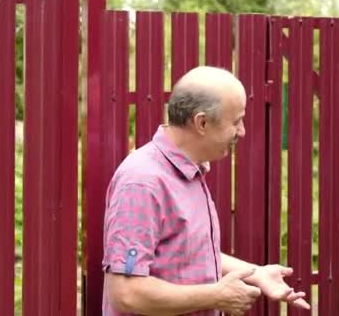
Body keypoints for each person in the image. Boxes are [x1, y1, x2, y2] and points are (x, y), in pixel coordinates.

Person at [102, 66, 311, 316]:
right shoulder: (143, 182)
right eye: (236, 121)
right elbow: (126, 293)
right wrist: (216, 296)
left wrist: (257, 273)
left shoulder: (188, 171)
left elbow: (188, 253)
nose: (242, 131)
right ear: (201, 122)